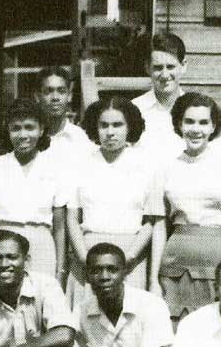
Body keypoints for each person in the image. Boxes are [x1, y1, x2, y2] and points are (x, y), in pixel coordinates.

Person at [158, 92, 221, 318]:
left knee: (213, 324)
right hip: (176, 259)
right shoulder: (168, 166)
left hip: (217, 257)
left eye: (203, 122)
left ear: (213, 127)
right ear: (179, 124)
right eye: (189, 121)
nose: (196, 129)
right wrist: (154, 277)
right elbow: (160, 224)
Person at [65, 97, 165, 309]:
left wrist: (129, 257)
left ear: (130, 127)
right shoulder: (79, 164)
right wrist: (85, 258)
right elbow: (72, 218)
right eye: (104, 125)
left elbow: (151, 221)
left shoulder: (147, 166)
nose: (110, 132)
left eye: (117, 125)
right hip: (88, 254)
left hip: (130, 257)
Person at [0, 99, 71, 281]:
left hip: (42, 245)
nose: (23, 135)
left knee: (39, 301)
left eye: (29, 127)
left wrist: (60, 272)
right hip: (3, 245)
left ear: (41, 130)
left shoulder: (56, 168)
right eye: (16, 128)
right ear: (8, 130)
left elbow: (60, 228)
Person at [130, 32, 187, 164]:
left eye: (171, 67)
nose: (165, 75)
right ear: (147, 68)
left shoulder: (194, 110)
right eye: (158, 68)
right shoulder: (134, 109)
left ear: (183, 66)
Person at [36, 66, 92, 166]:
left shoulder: (80, 139)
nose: (55, 98)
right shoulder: (29, 137)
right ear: (38, 97)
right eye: (48, 91)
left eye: (61, 91)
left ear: (69, 96)